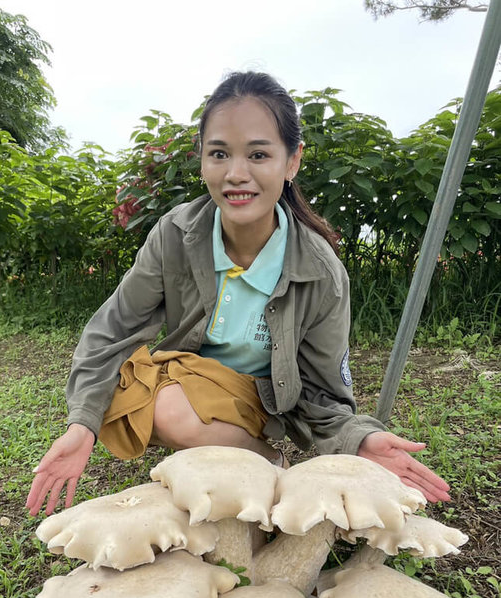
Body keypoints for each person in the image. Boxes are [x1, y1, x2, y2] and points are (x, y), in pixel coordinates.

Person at [26, 71, 450, 517]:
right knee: (113, 384)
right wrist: (81, 426)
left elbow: (325, 392)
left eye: (259, 154)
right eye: (219, 154)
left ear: (292, 162)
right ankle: (220, 464)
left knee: (171, 410)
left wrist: (358, 437)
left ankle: (268, 465)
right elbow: (112, 331)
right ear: (202, 160)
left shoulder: (320, 272)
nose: (236, 174)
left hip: (256, 401)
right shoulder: (176, 234)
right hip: (186, 376)